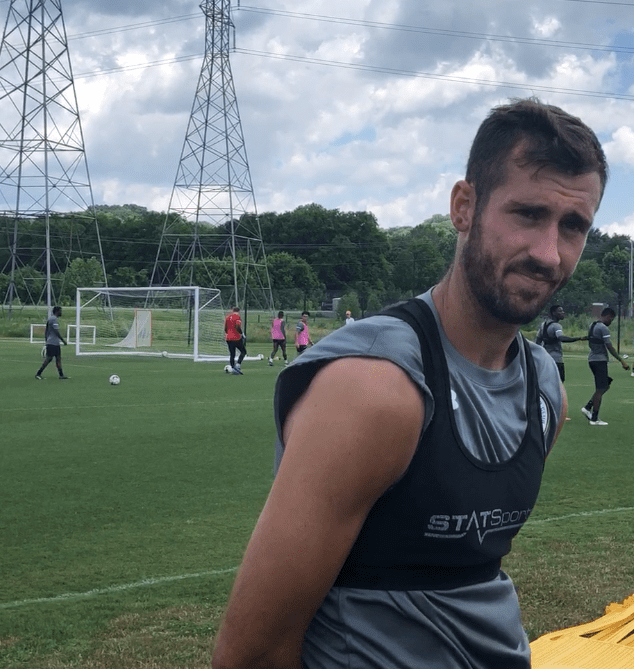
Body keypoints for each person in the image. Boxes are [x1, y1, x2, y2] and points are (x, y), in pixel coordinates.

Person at [212, 97, 608, 669]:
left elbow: (460, 574)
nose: (549, 253)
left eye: (573, 226)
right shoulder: (375, 388)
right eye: (527, 214)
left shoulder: (546, 391)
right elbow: (250, 655)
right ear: (464, 207)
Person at [580, 307, 629, 426]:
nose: (611, 322)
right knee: (600, 388)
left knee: (605, 385)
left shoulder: (593, 325)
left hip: (592, 359)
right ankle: (594, 419)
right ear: (608, 316)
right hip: (599, 360)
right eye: (611, 319)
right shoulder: (603, 328)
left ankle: (587, 407)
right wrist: (621, 360)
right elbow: (609, 346)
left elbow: (590, 342)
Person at [536, 303, 581, 383]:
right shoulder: (556, 326)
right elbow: (561, 338)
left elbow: (538, 340)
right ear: (554, 313)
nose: (563, 313)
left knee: (547, 382)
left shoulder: (543, 325)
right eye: (560, 311)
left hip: (545, 358)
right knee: (559, 381)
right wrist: (578, 338)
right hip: (556, 358)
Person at [36, 305, 70, 380]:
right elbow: (56, 331)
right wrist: (63, 340)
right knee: (49, 359)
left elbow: (46, 330)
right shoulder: (54, 319)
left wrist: (46, 339)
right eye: (60, 311)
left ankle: (61, 375)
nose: (61, 312)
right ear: (57, 311)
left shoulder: (51, 319)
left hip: (53, 343)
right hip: (53, 343)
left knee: (58, 358)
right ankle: (38, 373)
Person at [225, 305, 246, 375]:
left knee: (232, 354)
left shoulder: (228, 318)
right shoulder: (237, 317)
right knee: (243, 351)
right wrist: (241, 333)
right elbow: (237, 326)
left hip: (228, 338)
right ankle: (238, 365)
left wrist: (228, 333)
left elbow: (225, 328)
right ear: (238, 311)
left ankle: (233, 368)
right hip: (236, 338)